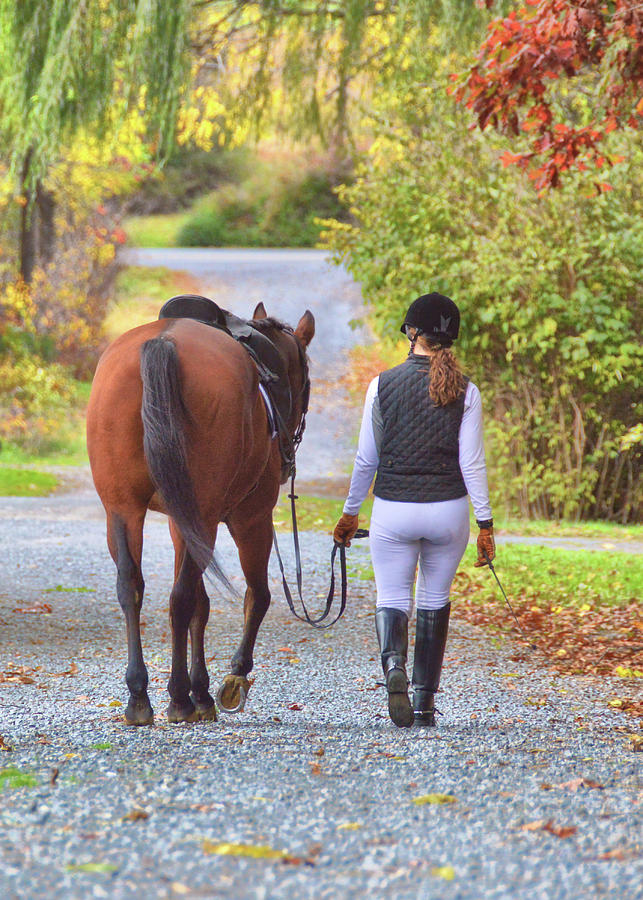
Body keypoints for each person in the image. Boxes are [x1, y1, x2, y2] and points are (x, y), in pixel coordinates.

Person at [333, 292, 495, 728]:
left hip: (393, 510)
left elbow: (367, 459)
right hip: (448, 513)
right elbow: (472, 463)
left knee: (392, 598)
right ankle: (423, 704)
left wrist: (350, 514)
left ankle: (393, 670)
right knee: (434, 600)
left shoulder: (382, 385)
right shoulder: (468, 391)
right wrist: (485, 524)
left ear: (412, 333)